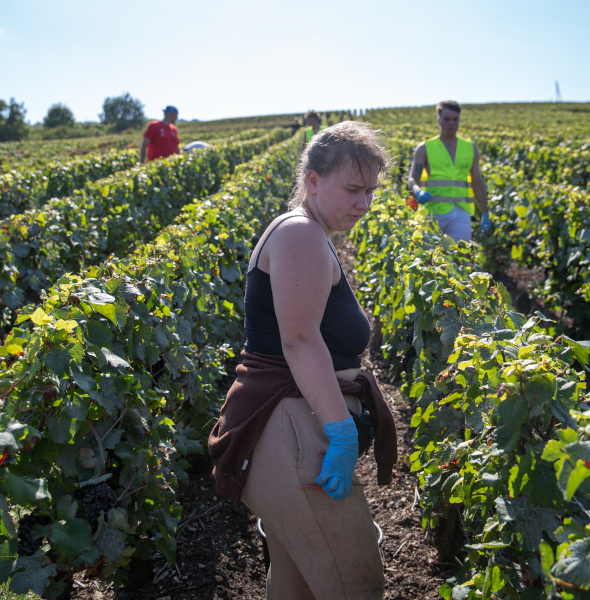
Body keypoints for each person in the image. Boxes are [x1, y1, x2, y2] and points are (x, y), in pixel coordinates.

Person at [209, 121, 397, 600]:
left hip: (293, 426)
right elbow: (299, 342)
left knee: (298, 585)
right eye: (353, 189)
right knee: (355, 583)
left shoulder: (309, 233)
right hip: (291, 432)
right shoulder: (300, 235)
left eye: (371, 191)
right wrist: (340, 431)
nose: (364, 203)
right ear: (312, 180)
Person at [407, 100, 491, 242]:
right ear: (439, 120)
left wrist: (485, 213)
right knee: (431, 259)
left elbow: (477, 182)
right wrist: (417, 191)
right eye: (446, 119)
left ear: (459, 120)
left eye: (455, 119)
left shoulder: (470, 148)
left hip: (461, 212)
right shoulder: (425, 148)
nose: (451, 123)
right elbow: (412, 179)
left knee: (460, 258)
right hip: (432, 212)